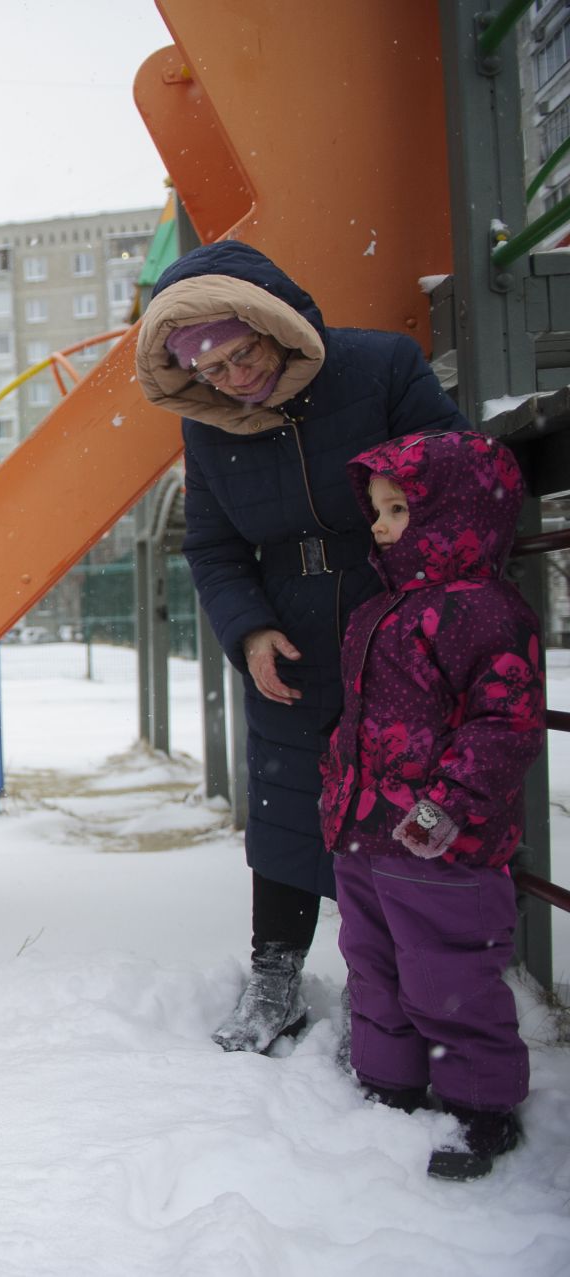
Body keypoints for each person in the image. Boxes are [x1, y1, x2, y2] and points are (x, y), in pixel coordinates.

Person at [135, 241, 468, 1053]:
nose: (235, 380)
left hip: (392, 620)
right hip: (287, 628)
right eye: (213, 373)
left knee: (389, 810)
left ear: (269, 321)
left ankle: (378, 984)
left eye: (242, 354)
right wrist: (248, 630)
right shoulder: (209, 427)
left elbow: (449, 479)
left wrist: (421, 614)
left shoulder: (381, 368)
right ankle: (275, 981)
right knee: (286, 806)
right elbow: (213, 548)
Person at [321, 430, 542, 1181]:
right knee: (374, 964)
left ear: (456, 514)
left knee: (445, 976)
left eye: (397, 510)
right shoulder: (375, 611)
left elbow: (504, 723)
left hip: (444, 846)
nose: (379, 527)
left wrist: (445, 805)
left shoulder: (484, 612)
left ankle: (480, 1104)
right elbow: (354, 718)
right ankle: (390, 1083)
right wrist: (337, 786)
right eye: (377, 511)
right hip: (365, 834)